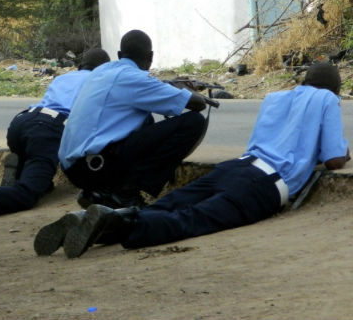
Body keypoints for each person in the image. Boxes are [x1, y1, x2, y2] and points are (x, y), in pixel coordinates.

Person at [36, 61, 350, 259]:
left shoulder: (274, 98)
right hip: (264, 184)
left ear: (304, 80)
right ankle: (124, 223)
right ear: (334, 89)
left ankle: (112, 217)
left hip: (236, 166)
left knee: (174, 202)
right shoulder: (326, 99)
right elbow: (334, 159)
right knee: (196, 219)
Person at [0, 48, 111, 224]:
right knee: (26, 195)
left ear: (79, 67)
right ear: (104, 68)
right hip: (48, 132)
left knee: (40, 175)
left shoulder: (63, 78)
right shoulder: (101, 81)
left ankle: (22, 165)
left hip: (22, 122)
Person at [58, 29, 208, 211]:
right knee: (194, 122)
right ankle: (125, 194)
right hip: (93, 167)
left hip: (76, 167)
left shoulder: (102, 71)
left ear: (120, 55)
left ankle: (102, 192)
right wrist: (184, 89)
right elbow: (197, 104)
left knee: (145, 119)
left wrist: (166, 86)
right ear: (150, 56)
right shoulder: (134, 78)